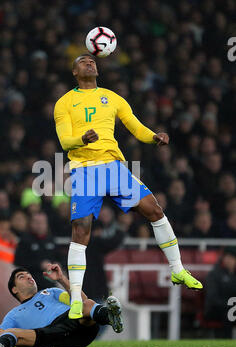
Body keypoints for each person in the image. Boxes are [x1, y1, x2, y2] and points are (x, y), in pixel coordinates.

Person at [54, 53, 202, 319]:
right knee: (81, 230)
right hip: (85, 169)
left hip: (113, 167)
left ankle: (178, 269)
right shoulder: (64, 103)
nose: (90, 63)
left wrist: (153, 136)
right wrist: (82, 139)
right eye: (83, 61)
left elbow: (136, 126)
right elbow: (65, 141)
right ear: (74, 72)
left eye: (92, 60)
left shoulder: (113, 98)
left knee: (154, 210)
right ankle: (76, 298)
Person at [0, 263, 123, 347]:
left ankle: (110, 317)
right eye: (22, 276)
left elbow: (80, 300)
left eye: (29, 274)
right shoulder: (13, 314)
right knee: (10, 333)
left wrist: (61, 279)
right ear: (14, 289)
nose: (29, 276)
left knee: (88, 304)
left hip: (77, 325)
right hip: (50, 336)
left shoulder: (51, 292)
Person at [204, 247, 236, 338]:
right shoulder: (214, 274)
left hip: (232, 308)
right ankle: (225, 341)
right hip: (215, 310)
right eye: (227, 257)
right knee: (228, 315)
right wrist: (230, 305)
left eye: (232, 258)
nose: (229, 260)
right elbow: (213, 298)